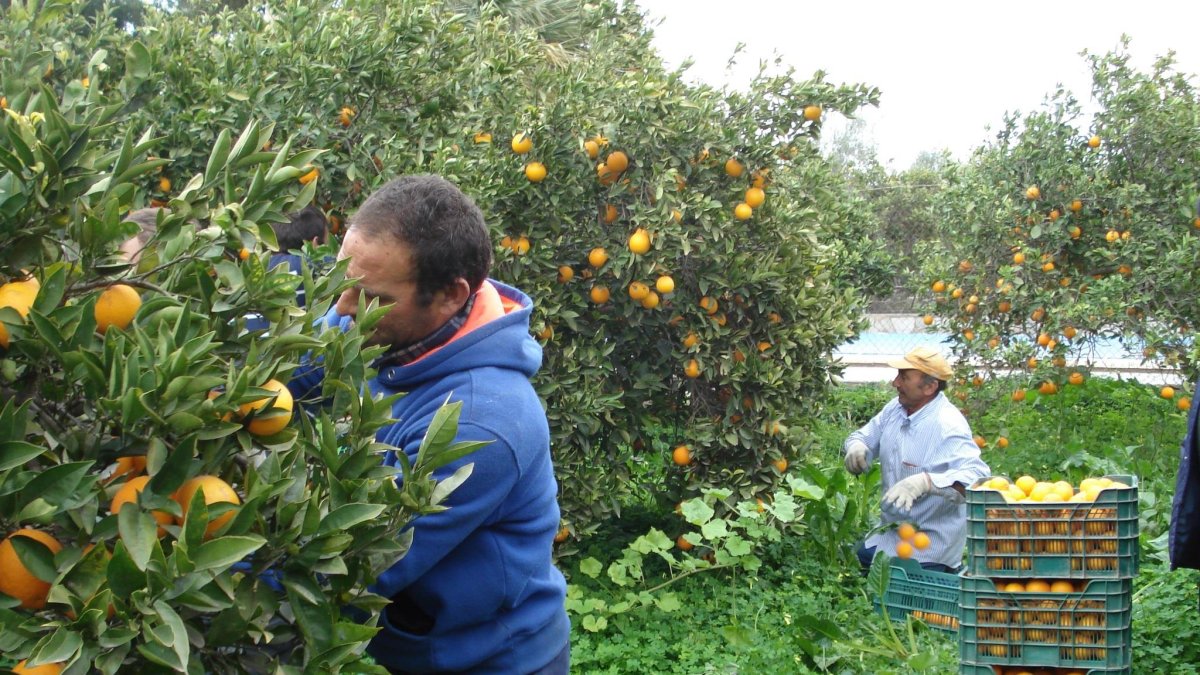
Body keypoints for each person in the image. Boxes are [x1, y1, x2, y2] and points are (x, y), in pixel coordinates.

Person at [289, 175, 570, 674]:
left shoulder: (483, 420)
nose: (340, 310)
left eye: (368, 296)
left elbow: (351, 568)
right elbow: (285, 378)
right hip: (413, 647)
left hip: (489, 660)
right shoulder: (364, 321)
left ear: (449, 295)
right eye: (340, 285)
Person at [843, 345, 989, 574]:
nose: (895, 383)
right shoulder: (897, 408)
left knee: (908, 598)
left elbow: (977, 478)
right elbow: (864, 435)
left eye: (904, 377)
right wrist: (857, 447)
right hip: (890, 535)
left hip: (930, 546)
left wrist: (926, 482)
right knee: (858, 568)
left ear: (930, 386)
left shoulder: (947, 425)